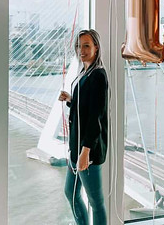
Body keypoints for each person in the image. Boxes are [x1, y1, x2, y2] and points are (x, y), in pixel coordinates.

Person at [58, 29, 108, 225]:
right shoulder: (84, 72)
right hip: (76, 146)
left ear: (96, 48)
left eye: (86, 45)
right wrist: (71, 100)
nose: (82, 50)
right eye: (79, 46)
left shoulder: (98, 76)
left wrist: (85, 152)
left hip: (87, 150)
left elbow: (95, 117)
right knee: (70, 193)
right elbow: (86, 108)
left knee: (96, 202)